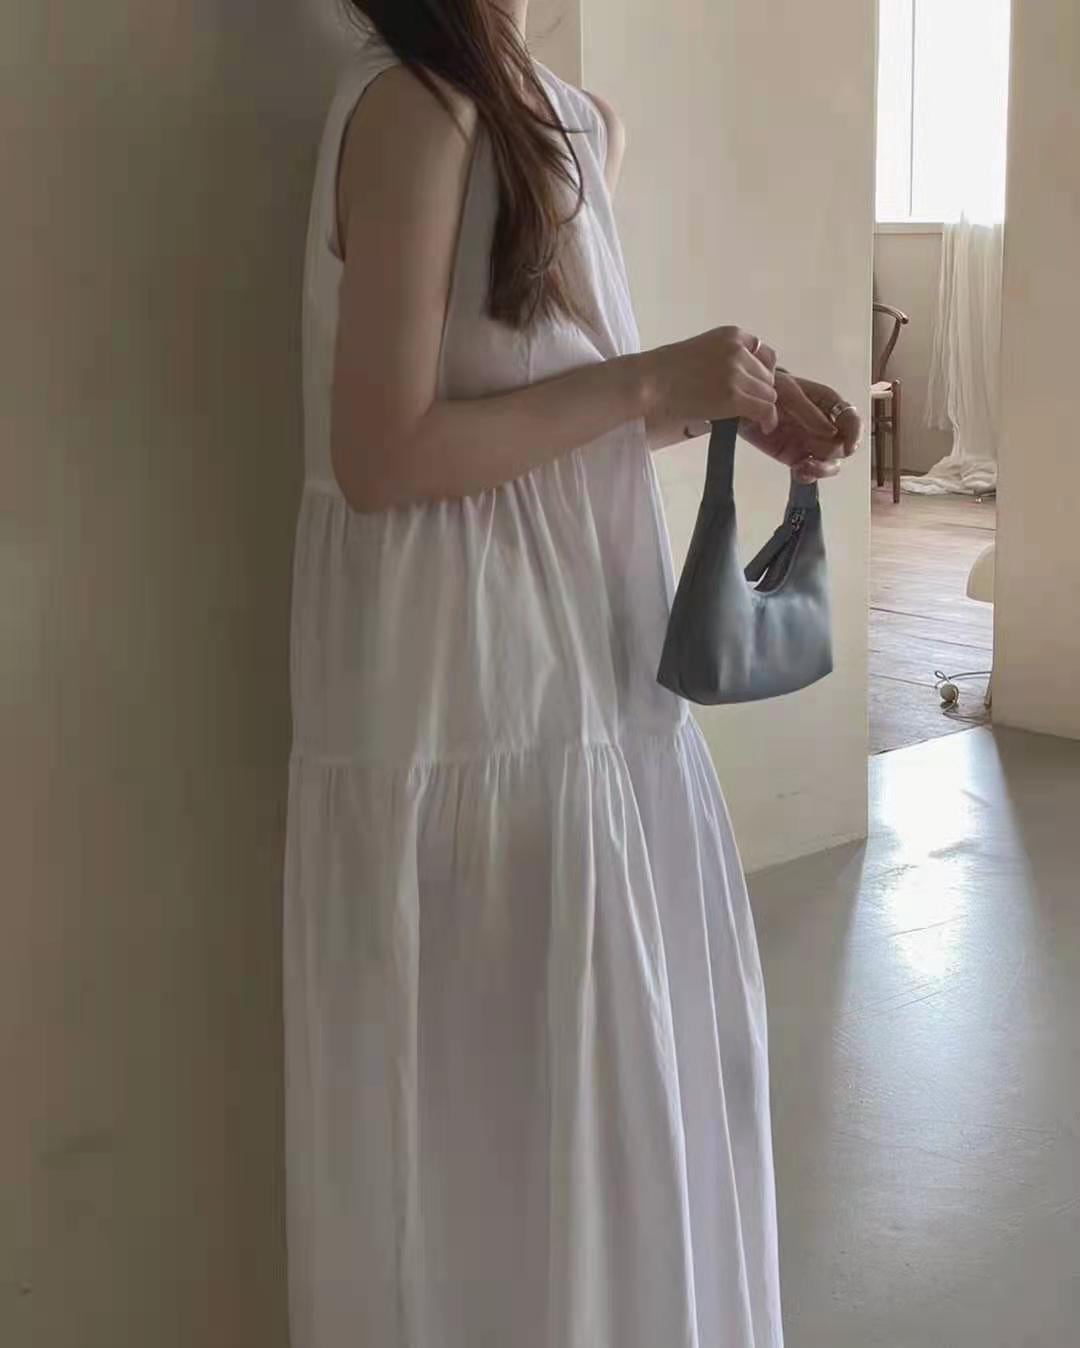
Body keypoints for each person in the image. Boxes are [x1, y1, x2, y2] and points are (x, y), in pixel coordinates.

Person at [283, 3, 860, 1346]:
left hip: (587, 669)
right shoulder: (415, 111)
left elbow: (543, 415)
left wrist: (724, 403)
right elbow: (381, 456)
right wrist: (650, 381)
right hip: (465, 679)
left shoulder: (574, 118)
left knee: (613, 1078)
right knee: (494, 1101)